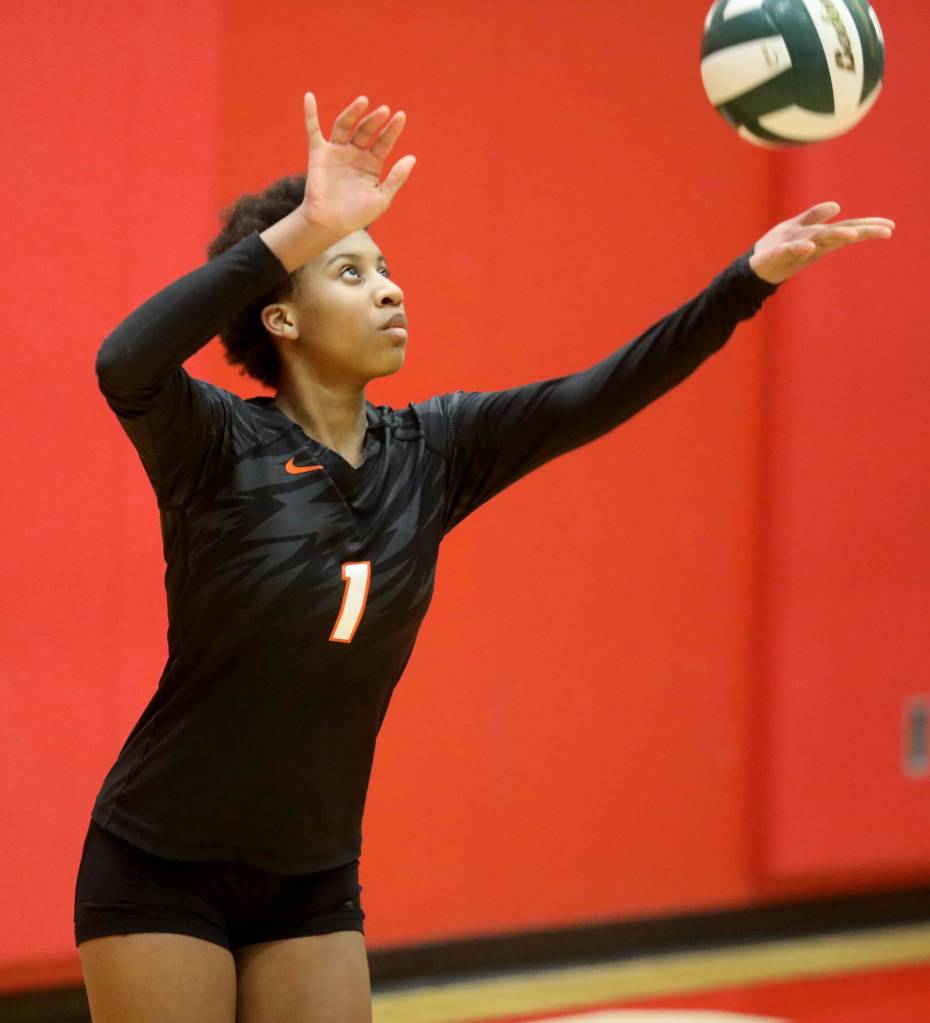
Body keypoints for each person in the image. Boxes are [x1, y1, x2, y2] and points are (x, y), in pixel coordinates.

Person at [74, 91, 895, 1023]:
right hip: (159, 861)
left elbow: (601, 392)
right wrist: (305, 225)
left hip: (310, 876)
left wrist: (747, 279)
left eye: (386, 267)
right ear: (283, 321)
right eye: (349, 272)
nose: (390, 287)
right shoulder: (212, 444)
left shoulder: (437, 448)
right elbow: (123, 362)